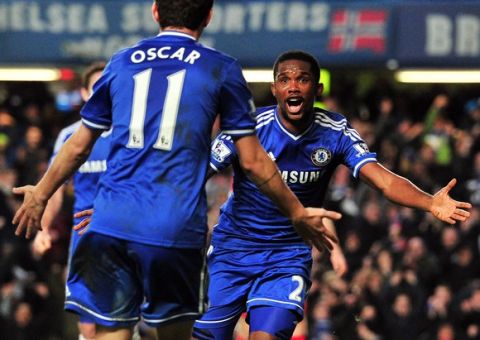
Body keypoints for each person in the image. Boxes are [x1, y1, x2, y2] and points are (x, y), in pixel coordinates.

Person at [11, 2, 341, 340]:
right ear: (208, 16)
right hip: (173, 226)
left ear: (155, 11)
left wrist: (41, 191)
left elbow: (79, 144)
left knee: (110, 332)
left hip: (111, 222)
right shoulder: (221, 68)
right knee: (176, 332)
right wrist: (296, 211)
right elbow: (254, 161)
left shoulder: (121, 61)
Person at [192, 50, 472, 340]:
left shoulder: (336, 132)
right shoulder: (247, 128)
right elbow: (197, 173)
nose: (293, 86)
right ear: (275, 89)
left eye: (303, 79)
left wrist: (428, 201)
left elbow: (383, 181)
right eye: (284, 79)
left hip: (286, 257)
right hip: (233, 251)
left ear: (317, 88)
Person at [31, 62, 108, 340]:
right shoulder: (69, 137)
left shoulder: (131, 135)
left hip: (122, 236)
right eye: (96, 87)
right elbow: (55, 187)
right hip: (83, 240)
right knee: (87, 326)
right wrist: (44, 227)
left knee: (122, 320)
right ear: (85, 94)